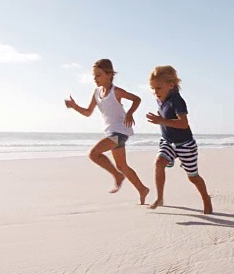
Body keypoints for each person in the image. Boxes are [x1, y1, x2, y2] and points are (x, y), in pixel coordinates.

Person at [64, 58, 150, 203]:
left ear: (109, 74)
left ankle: (117, 176)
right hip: (111, 132)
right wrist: (74, 106)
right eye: (94, 76)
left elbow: (137, 99)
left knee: (94, 153)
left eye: (99, 75)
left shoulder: (116, 92)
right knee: (122, 166)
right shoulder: (97, 92)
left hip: (120, 132)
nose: (95, 79)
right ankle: (142, 189)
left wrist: (129, 113)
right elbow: (87, 112)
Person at [145, 65, 213, 214]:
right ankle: (160, 198)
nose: (155, 93)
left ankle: (206, 199)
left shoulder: (177, 101)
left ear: (170, 85)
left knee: (193, 177)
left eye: (158, 88)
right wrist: (161, 120)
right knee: (158, 162)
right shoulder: (161, 99)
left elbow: (183, 124)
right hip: (168, 142)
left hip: (185, 145)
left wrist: (160, 121)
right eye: (153, 89)